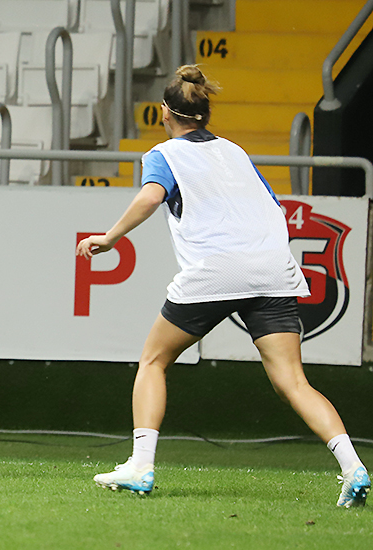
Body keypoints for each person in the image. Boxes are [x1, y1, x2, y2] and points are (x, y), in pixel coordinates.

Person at [76, 65, 370, 508]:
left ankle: (140, 466)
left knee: (154, 360)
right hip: (272, 268)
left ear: (165, 112)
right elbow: (273, 206)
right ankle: (354, 467)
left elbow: (152, 196)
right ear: (205, 113)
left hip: (216, 270)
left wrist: (110, 238)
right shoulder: (235, 152)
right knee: (293, 382)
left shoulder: (163, 154)